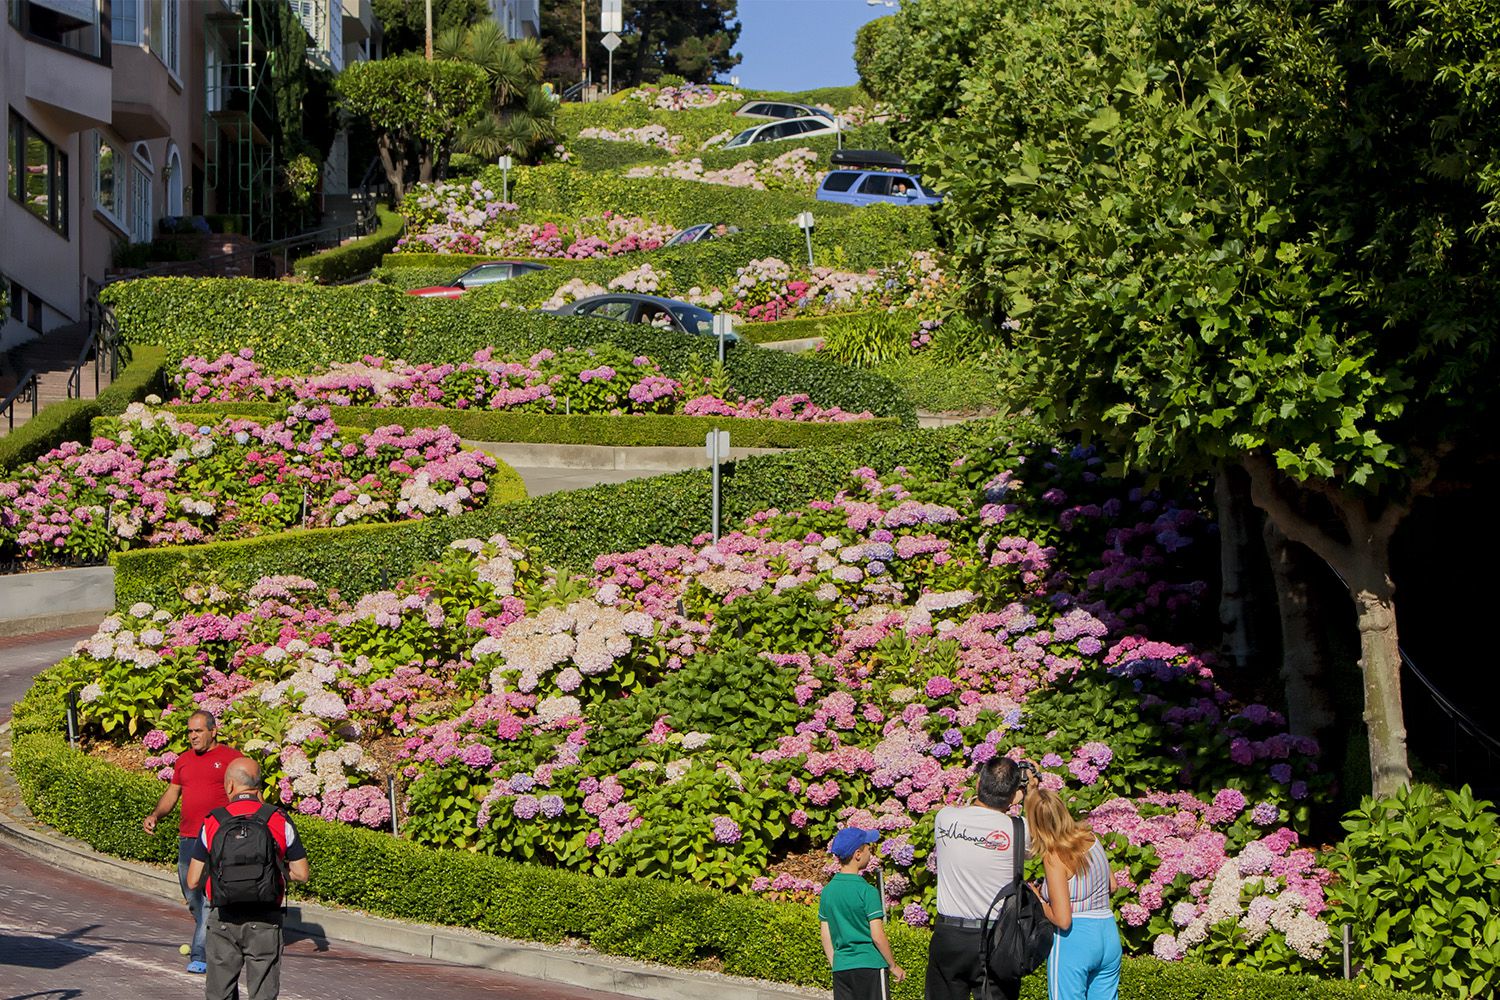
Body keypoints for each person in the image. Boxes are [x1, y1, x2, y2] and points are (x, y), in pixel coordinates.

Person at [186, 758, 311, 1000]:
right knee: (263, 994)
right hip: (265, 919)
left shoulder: (213, 820)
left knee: (218, 994)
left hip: (223, 917)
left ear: (230, 786)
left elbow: (192, 881)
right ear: (259, 786)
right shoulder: (277, 818)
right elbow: (301, 874)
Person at [143, 710, 244, 974]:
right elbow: (172, 792)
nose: (193, 736)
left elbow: (246, 794)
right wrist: (156, 814)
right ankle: (218, 935)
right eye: (190, 731)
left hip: (219, 838)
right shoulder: (184, 761)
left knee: (209, 896)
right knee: (192, 895)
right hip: (188, 838)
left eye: (198, 731)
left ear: (213, 731)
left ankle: (201, 953)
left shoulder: (232, 759)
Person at [926, 757, 1029, 1000]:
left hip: (949, 934)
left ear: (979, 783)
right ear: (1014, 795)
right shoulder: (1019, 829)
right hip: (997, 938)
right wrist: (1029, 792)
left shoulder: (946, 818)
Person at [1026, 785, 1121, 1000]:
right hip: (1107, 931)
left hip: (1075, 939)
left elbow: (1063, 920)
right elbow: (1112, 886)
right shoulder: (1091, 838)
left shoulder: (1054, 857)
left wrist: (1039, 899)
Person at [819, 827, 906, 1000]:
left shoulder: (827, 891)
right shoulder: (867, 891)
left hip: (842, 967)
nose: (870, 852)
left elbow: (826, 934)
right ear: (858, 854)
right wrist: (893, 965)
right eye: (868, 848)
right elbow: (877, 936)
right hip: (871, 966)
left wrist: (835, 963)